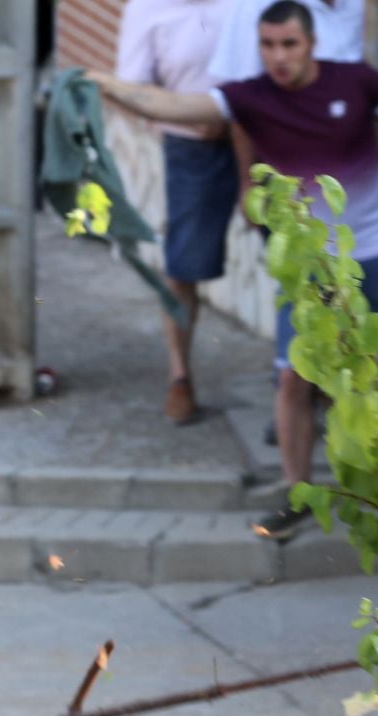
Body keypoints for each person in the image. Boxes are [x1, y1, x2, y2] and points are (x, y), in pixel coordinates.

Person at [91, 0, 378, 540]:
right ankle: (297, 493)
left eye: (289, 45)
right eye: (269, 46)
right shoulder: (248, 98)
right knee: (292, 378)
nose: (278, 57)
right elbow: (172, 104)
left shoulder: (358, 81)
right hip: (308, 267)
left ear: (311, 44)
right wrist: (103, 83)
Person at [115, 0, 239, 422]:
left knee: (297, 256)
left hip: (261, 129)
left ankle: (303, 383)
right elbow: (132, 87)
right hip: (192, 143)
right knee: (184, 266)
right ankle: (179, 377)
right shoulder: (147, 7)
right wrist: (192, 115)